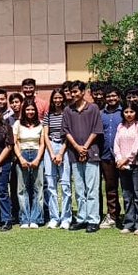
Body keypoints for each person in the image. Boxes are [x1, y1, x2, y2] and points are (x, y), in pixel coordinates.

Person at [62, 81, 103, 233]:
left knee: (92, 188)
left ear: (83, 91)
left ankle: (93, 219)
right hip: (74, 154)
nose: (73, 94)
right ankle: (82, 218)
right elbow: (66, 131)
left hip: (91, 153)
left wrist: (85, 147)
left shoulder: (93, 108)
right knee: (79, 188)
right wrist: (77, 147)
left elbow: (96, 130)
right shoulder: (68, 110)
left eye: (76, 91)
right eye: (71, 92)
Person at [113, 101, 138, 235]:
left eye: (131, 112)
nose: (129, 114)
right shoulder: (120, 126)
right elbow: (116, 144)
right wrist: (118, 159)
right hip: (122, 166)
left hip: (135, 165)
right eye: (126, 112)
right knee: (127, 195)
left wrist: (126, 159)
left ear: (136, 112)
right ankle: (129, 223)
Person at [12, 102, 45, 228]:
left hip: (37, 154)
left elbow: (42, 143)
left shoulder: (40, 124)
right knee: (22, 188)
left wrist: (37, 159)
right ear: (23, 111)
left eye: (32, 109)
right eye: (27, 110)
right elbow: (14, 142)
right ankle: (25, 219)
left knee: (38, 187)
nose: (30, 112)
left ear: (35, 111)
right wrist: (20, 158)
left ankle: (36, 218)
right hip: (22, 154)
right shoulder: (17, 124)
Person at [42, 89, 71, 229]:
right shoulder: (48, 114)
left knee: (65, 185)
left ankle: (66, 217)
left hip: (64, 146)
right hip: (50, 147)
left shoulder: (68, 113)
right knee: (51, 183)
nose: (58, 100)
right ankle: (54, 217)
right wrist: (52, 153)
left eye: (60, 98)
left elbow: (68, 134)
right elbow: (45, 134)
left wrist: (60, 153)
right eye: (55, 98)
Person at [98, 87, 124, 229]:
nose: (111, 98)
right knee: (110, 187)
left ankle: (130, 215)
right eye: (108, 96)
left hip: (124, 157)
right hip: (106, 155)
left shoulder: (125, 112)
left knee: (127, 188)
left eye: (114, 96)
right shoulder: (101, 114)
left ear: (119, 97)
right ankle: (113, 215)